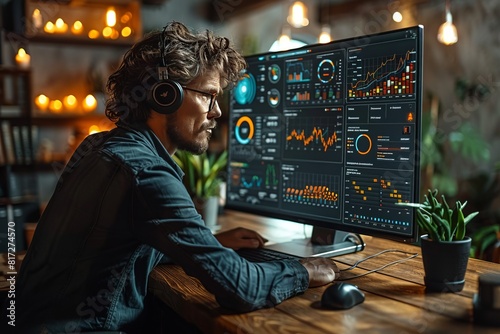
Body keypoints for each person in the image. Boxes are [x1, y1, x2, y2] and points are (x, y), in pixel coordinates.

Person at [13, 22, 339, 333]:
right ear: (165, 95)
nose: (217, 112)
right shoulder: (147, 171)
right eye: (208, 95)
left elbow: (115, 243)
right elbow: (239, 287)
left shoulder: (98, 146)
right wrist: (302, 270)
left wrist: (207, 244)